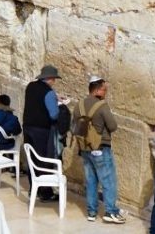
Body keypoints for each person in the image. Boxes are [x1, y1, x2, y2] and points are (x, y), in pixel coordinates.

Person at [75, 76, 125, 223]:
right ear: (96, 90)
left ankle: (91, 212)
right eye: (104, 90)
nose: (105, 93)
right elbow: (113, 126)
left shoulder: (79, 105)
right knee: (108, 181)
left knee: (91, 181)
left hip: (85, 148)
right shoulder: (102, 106)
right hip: (101, 148)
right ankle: (110, 212)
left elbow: (75, 126)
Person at [23, 65, 66, 198]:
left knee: (32, 159)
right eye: (54, 79)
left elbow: (38, 99)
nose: (54, 82)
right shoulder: (49, 92)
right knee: (43, 160)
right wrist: (60, 106)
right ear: (51, 78)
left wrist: (55, 97)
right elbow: (54, 115)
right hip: (41, 130)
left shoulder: (30, 86)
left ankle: (33, 188)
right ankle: (45, 192)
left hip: (28, 127)